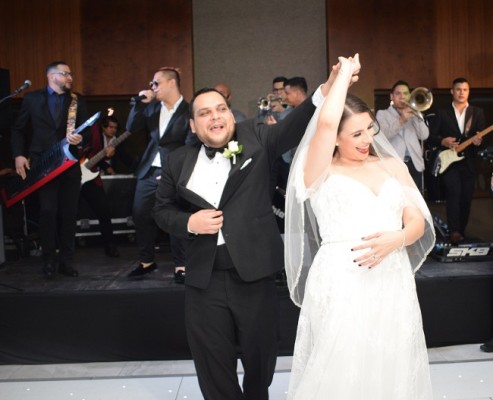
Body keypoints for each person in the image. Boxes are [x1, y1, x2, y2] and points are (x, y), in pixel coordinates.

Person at [152, 68, 336, 399]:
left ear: (231, 114)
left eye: (220, 109)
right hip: (204, 278)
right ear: (193, 125)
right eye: (204, 113)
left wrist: (326, 88)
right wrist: (189, 223)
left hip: (254, 274)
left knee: (260, 359)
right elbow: (161, 210)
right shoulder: (177, 160)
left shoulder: (256, 136)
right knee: (211, 363)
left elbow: (296, 125)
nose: (215, 117)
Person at [285, 54, 435, 399]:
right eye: (356, 132)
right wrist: (343, 77)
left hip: (391, 277)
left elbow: (416, 222)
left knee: (390, 364)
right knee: (340, 366)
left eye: (370, 128)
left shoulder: (391, 167)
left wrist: (396, 239)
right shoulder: (319, 171)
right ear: (334, 138)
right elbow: (324, 124)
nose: (367, 138)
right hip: (342, 277)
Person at [11, 61, 90, 278]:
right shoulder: (32, 98)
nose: (70, 78)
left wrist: (81, 138)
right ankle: (48, 261)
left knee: (69, 213)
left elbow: (89, 131)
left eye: (71, 74)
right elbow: (18, 130)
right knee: (47, 212)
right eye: (66, 74)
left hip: (69, 163)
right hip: (43, 164)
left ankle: (66, 261)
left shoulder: (76, 100)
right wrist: (19, 154)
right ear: (52, 76)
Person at [125, 67, 192, 284]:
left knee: (174, 217)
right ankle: (146, 262)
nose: (152, 87)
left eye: (156, 83)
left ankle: (181, 265)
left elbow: (191, 146)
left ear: (171, 83)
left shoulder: (189, 111)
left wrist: (173, 172)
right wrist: (137, 102)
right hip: (149, 170)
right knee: (140, 213)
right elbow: (131, 127)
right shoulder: (152, 109)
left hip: (174, 171)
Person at [428, 77, 485, 244]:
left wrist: (478, 142)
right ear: (452, 91)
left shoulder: (477, 112)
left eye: (465, 90)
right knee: (454, 193)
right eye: (458, 89)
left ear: (469, 92)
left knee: (466, 197)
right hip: (449, 161)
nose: (461, 93)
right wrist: (442, 141)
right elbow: (430, 137)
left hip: (468, 161)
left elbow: (482, 138)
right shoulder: (441, 112)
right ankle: (454, 231)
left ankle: (461, 230)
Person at [79, 115, 135, 257]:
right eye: (110, 127)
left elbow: (126, 158)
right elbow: (86, 153)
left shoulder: (117, 142)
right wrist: (105, 163)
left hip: (93, 177)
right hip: (78, 174)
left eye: (115, 128)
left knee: (104, 209)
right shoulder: (91, 134)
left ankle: (110, 245)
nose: (113, 130)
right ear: (103, 127)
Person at [376, 80, 430, 190]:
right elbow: (382, 136)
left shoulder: (414, 114)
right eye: (398, 93)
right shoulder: (383, 114)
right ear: (392, 96)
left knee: (415, 202)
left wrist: (417, 115)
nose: (402, 97)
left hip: (414, 164)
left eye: (406, 93)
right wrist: (401, 120)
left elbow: (424, 135)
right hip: (393, 164)